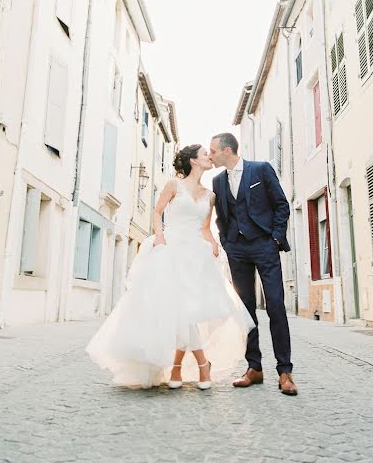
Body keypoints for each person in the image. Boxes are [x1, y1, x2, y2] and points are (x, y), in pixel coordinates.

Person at [86, 144, 254, 390]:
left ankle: (177, 368)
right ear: (193, 161)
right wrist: (160, 237)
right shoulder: (174, 185)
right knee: (180, 309)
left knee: (185, 311)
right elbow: (157, 211)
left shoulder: (210, 195)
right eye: (204, 154)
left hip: (196, 254)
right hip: (172, 249)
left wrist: (214, 243)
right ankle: (201, 365)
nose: (209, 156)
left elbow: (205, 227)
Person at [209, 132, 298, 396]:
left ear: (227, 150)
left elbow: (281, 205)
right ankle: (254, 367)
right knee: (245, 311)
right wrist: (227, 242)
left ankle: (285, 371)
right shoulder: (217, 181)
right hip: (237, 249)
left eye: (213, 150)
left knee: (275, 305)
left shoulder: (261, 169)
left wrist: (274, 238)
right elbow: (221, 216)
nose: (210, 155)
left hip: (264, 246)